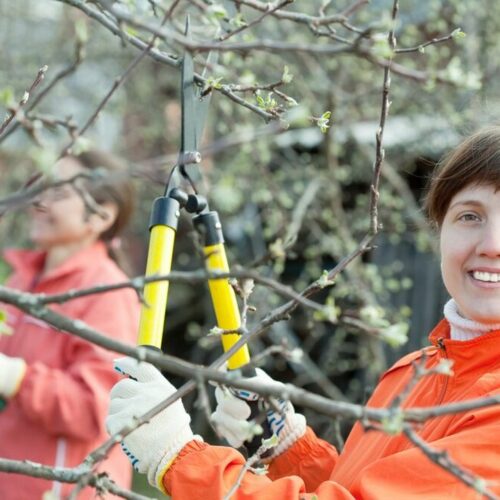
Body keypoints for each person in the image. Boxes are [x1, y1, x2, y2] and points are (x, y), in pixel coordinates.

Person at [106, 127, 500, 499]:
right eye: (470, 216)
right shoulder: (414, 373)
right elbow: (361, 488)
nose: (491, 245)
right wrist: (287, 445)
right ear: (440, 228)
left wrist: (181, 459)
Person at [0, 150, 140, 499]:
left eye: (60, 191)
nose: (40, 200)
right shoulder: (22, 281)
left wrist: (15, 377)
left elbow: (95, 409)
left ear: (102, 216)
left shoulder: (107, 293)